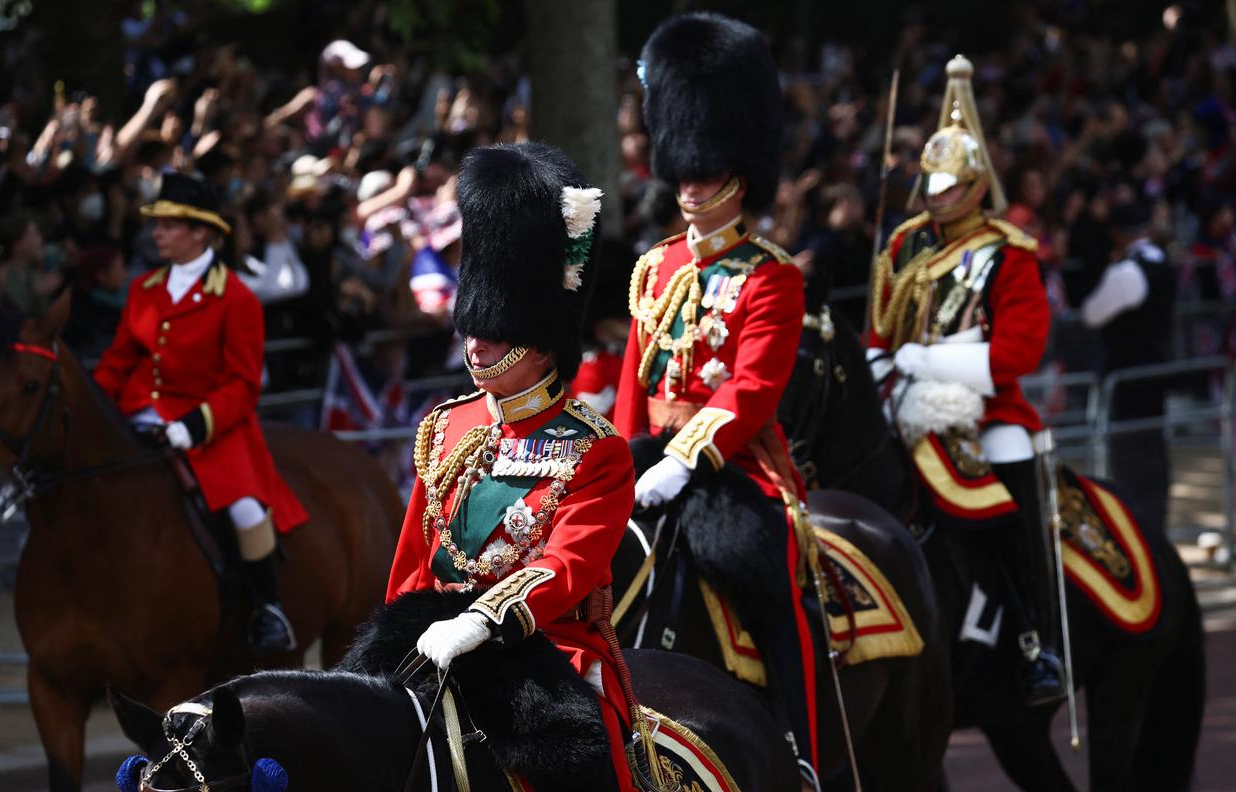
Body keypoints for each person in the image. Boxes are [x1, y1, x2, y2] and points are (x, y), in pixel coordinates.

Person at [387, 142, 640, 789]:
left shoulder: (596, 447)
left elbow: (567, 567)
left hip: (541, 649)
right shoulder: (447, 424)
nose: (477, 343)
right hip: (432, 638)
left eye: (496, 331)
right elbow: (415, 560)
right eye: (475, 326)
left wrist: (481, 620)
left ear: (542, 337)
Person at [612, 13, 820, 787]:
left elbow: (754, 389)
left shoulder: (772, 274)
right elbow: (637, 381)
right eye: (686, 176)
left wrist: (687, 458)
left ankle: (799, 747)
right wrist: (622, 463)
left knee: (763, 572)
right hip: (648, 457)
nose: (694, 190)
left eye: (710, 177)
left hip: (732, 462)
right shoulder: (656, 266)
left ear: (742, 179)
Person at [867, 55, 1063, 707]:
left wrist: (932, 360)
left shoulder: (1008, 253)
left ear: (975, 185)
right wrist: (884, 372)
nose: (935, 196)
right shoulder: (903, 244)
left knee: (1008, 483)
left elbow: (1015, 354)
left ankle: (1038, 638)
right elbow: (879, 331)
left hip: (986, 408)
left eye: (948, 186)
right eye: (930, 184)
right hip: (903, 399)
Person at [93, 173, 309, 654]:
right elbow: (119, 361)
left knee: (246, 509)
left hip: (212, 428)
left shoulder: (236, 298)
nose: (157, 233)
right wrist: (93, 405)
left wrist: (191, 428)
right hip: (139, 418)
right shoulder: (144, 289)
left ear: (200, 232)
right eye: (158, 225)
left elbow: (242, 384)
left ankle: (267, 609)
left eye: (169, 225)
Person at [1080, 192, 1175, 534]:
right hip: (1153, 376)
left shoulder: (1127, 272)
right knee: (1152, 460)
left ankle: (1140, 533)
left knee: (1133, 463)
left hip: (1130, 381)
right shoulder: (1162, 262)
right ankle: (1153, 529)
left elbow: (1092, 314)